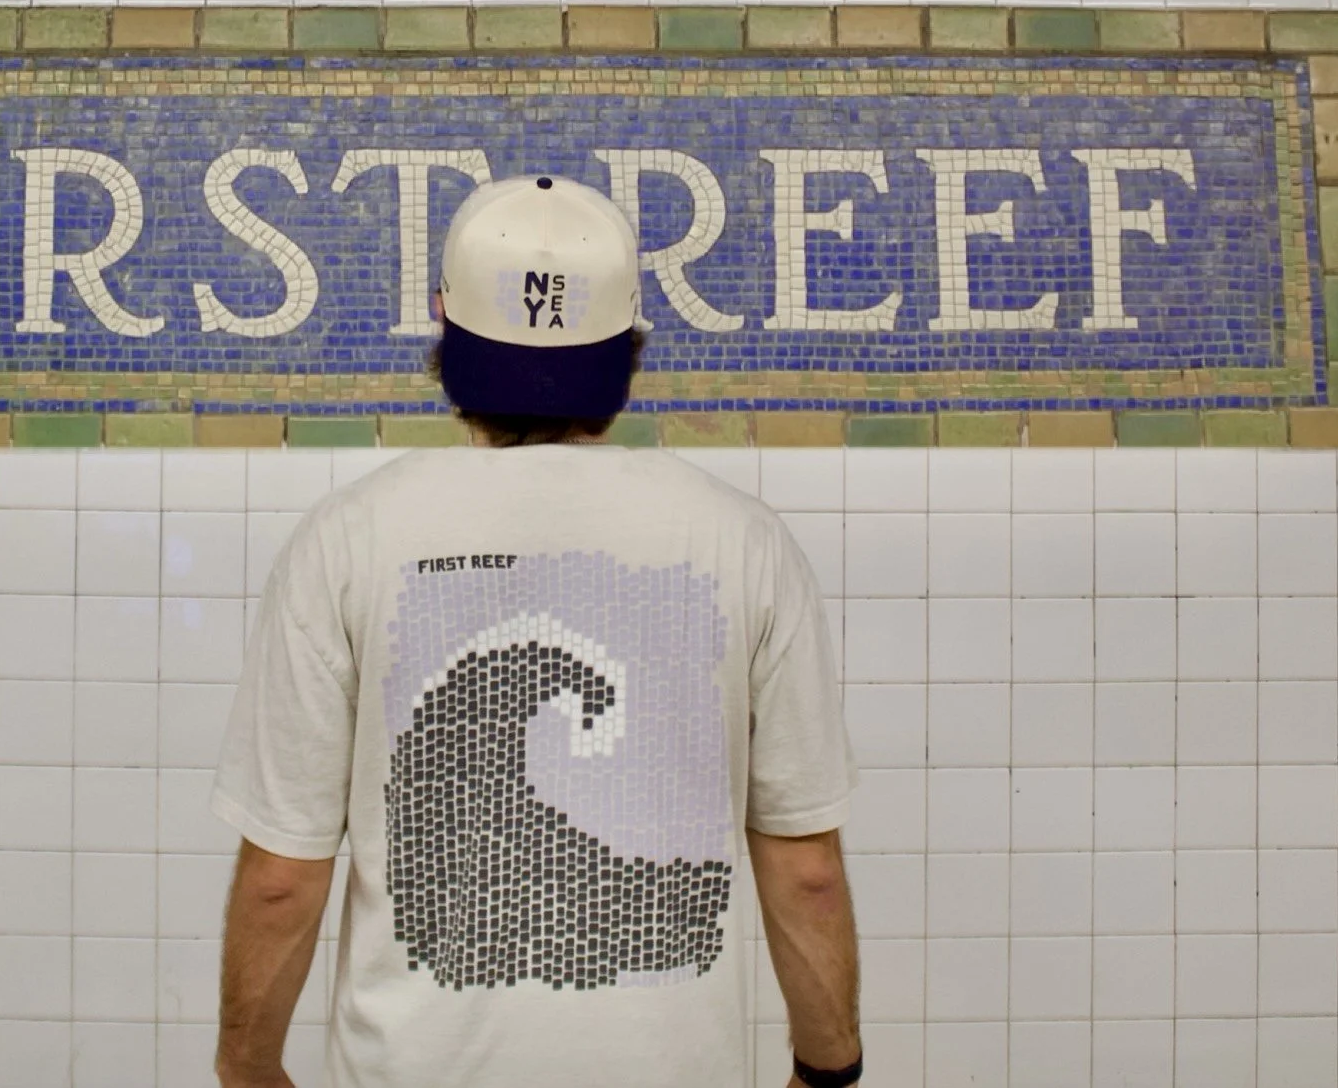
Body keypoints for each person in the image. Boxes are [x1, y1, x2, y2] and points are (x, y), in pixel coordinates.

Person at [211, 174, 862, 1088]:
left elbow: (284, 874)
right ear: (629, 348)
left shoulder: (347, 538)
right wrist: (828, 1070)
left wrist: (246, 1070)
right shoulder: (742, 541)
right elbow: (805, 867)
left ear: (446, 331)